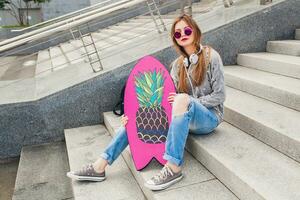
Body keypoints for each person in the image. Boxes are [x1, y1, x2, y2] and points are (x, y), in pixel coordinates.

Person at [67, 14, 226, 191]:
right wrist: (130, 119)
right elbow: (166, 98)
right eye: (178, 33)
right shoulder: (177, 65)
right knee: (134, 121)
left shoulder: (212, 57)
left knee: (181, 99)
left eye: (187, 30)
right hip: (184, 119)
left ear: (195, 31)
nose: (183, 35)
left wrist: (189, 100)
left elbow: (219, 96)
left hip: (209, 118)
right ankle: (100, 166)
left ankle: (173, 167)